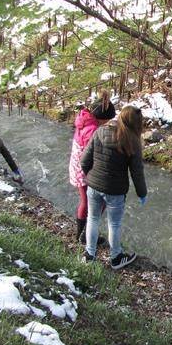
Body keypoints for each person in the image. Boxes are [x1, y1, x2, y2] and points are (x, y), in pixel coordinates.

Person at [80, 105, 147, 269]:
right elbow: (137, 172)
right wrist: (142, 193)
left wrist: (91, 176)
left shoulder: (100, 131)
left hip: (94, 186)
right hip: (115, 191)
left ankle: (90, 254)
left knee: (93, 219)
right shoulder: (132, 141)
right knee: (114, 224)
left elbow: (84, 160)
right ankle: (116, 257)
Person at [68, 98, 115, 244]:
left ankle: (81, 234)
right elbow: (94, 154)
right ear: (101, 118)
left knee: (86, 202)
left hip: (77, 167)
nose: (107, 123)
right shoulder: (92, 130)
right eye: (106, 120)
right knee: (97, 203)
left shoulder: (85, 119)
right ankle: (84, 235)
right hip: (84, 170)